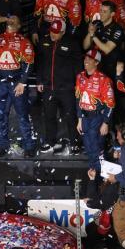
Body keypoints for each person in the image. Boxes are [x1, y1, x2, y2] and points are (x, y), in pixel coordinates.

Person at [0, 15, 36, 158]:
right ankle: (1, 145)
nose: (12, 20)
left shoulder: (24, 42)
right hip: (0, 84)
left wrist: (22, 82)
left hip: (17, 83)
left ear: (19, 25)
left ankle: (29, 146)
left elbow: (29, 64)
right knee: (0, 116)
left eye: (15, 20)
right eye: (10, 19)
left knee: (23, 116)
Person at [36, 19, 82, 155]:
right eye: (52, 31)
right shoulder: (44, 41)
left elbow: (78, 66)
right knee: (49, 116)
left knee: (70, 116)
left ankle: (74, 143)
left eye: (56, 33)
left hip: (67, 88)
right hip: (48, 87)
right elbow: (39, 63)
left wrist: (78, 84)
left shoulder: (72, 43)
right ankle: (50, 142)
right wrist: (39, 80)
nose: (53, 34)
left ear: (63, 32)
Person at [76, 49, 115, 171]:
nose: (86, 61)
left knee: (97, 148)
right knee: (88, 147)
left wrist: (105, 123)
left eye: (89, 59)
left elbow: (110, 103)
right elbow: (78, 99)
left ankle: (101, 173)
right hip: (85, 117)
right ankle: (94, 171)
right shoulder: (80, 76)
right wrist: (79, 119)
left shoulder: (104, 80)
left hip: (97, 118)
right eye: (85, 58)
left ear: (97, 62)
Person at [83, 0, 125, 80]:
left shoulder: (117, 29)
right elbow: (85, 46)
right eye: (100, 10)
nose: (101, 13)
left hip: (109, 67)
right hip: (94, 66)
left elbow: (107, 49)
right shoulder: (96, 23)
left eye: (104, 12)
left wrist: (93, 35)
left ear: (112, 14)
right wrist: (89, 33)